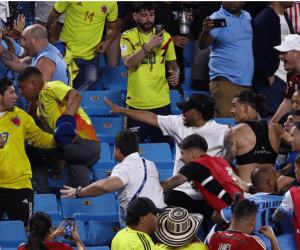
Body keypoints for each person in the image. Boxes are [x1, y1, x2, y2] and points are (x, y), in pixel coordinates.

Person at [104, 93, 228, 229]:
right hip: (181, 190)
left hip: (209, 193)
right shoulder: (179, 122)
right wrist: (122, 110)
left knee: (227, 219)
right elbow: (151, 117)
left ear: (198, 115)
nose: (182, 112)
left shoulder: (223, 132)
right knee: (163, 226)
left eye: (186, 110)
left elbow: (227, 163)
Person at [17, 67, 100, 193]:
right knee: (76, 195)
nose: (20, 92)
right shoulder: (40, 111)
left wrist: (66, 123)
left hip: (81, 141)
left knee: (31, 146)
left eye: (22, 87)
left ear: (34, 84)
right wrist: (59, 163)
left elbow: (76, 95)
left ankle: (42, 192)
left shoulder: (50, 88)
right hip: (83, 154)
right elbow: (53, 140)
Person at [60, 129, 166, 228]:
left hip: (142, 223)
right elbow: (156, 177)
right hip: (162, 219)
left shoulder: (124, 167)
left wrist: (79, 192)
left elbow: (104, 187)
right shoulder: (150, 164)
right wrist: (121, 177)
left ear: (117, 150)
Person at [0, 78, 58, 228]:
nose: (16, 96)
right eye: (11, 92)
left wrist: (60, 139)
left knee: (26, 230)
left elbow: (39, 138)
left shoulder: (21, 116)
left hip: (19, 184)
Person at [120, 2, 179, 144]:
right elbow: (128, 63)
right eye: (144, 15)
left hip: (162, 103)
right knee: (131, 149)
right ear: (135, 16)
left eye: (151, 15)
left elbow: (173, 64)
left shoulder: (166, 37)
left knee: (164, 149)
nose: (149, 19)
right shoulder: (127, 36)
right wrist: (148, 46)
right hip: (137, 104)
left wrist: (176, 73)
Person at [212, 165, 297, 250]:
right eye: (276, 176)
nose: (278, 178)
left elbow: (217, 217)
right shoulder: (291, 200)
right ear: (270, 183)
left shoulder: (247, 203)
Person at [0, 24, 70, 118]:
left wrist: (29, 124)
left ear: (36, 40)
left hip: (53, 118)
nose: (21, 43)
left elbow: (37, 97)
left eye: (24, 39)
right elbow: (17, 63)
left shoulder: (45, 61)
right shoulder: (44, 53)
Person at [160, 133, 243, 211]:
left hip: (230, 212)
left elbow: (165, 187)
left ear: (192, 153)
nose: (181, 158)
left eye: (182, 153)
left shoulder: (194, 165)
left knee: (172, 195)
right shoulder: (220, 160)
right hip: (243, 207)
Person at [221, 90, 290, 184]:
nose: (231, 110)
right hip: (271, 190)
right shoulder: (277, 129)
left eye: (234, 106)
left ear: (246, 108)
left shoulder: (234, 132)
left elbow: (222, 165)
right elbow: (296, 143)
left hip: (247, 191)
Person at [199, 1, 253, 118]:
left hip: (246, 83)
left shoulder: (247, 16)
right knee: (226, 126)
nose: (232, 1)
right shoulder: (217, 18)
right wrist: (206, 31)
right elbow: (203, 45)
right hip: (225, 82)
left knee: (244, 128)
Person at [47, 1, 118, 91]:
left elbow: (113, 28)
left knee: (83, 96)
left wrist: (108, 41)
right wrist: (51, 38)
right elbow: (53, 15)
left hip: (90, 57)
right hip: (66, 54)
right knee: (60, 94)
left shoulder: (111, 2)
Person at [252, 2, 294, 118]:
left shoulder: (285, 17)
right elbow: (258, 53)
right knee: (274, 121)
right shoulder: (263, 19)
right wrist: (271, 77)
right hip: (271, 81)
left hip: (285, 78)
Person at [209, 199, 281, 250]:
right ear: (253, 222)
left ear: (231, 218)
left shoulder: (214, 237)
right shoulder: (252, 242)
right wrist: (273, 239)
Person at [18, 212, 86, 250]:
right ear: (50, 230)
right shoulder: (61, 247)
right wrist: (77, 240)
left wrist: (52, 237)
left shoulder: (22, 248)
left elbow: (41, 243)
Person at [271, 34, 300, 123]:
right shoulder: (291, 74)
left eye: (284, 52)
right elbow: (287, 102)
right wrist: (272, 124)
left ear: (297, 54)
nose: (280, 56)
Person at [274, 153, 300, 249]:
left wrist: (274, 216)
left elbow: (278, 216)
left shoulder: (293, 194)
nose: (294, 171)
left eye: (295, 168)